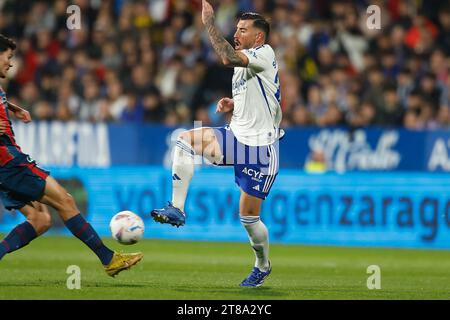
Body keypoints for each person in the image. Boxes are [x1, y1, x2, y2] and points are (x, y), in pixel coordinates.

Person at [151, 0, 283, 287]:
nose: (237, 34)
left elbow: (225, 57)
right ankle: (176, 208)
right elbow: (266, 97)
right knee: (185, 140)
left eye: (243, 30)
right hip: (235, 138)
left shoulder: (263, 52)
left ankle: (262, 264)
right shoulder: (248, 60)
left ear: (258, 37)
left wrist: (208, 23)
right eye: (236, 28)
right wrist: (235, 102)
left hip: (260, 149)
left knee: (248, 219)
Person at [0, 34, 143, 277]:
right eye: (8, 57)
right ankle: (108, 259)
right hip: (10, 162)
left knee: (40, 220)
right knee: (65, 201)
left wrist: (12, 108)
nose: (11, 63)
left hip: (5, 165)